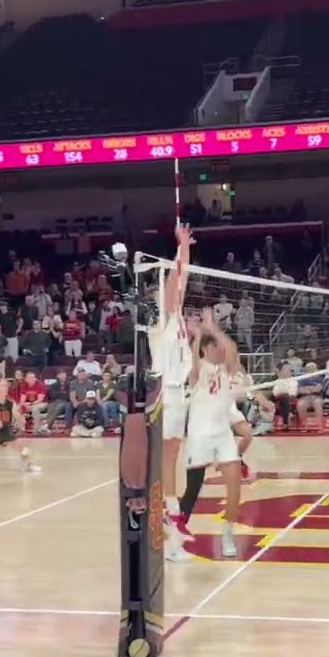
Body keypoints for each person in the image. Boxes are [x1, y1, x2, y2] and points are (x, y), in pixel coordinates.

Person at [177, 309, 244, 558]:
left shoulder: (226, 369)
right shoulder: (198, 370)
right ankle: (177, 529)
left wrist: (211, 327)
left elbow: (233, 350)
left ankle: (227, 534)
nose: (220, 350)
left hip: (222, 434)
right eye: (215, 348)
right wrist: (197, 334)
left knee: (235, 485)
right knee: (193, 487)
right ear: (206, 350)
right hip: (199, 435)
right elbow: (194, 359)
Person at [154, 223, 194, 543]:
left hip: (180, 395)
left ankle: (169, 508)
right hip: (168, 393)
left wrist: (186, 249)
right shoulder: (166, 319)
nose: (178, 294)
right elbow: (175, 282)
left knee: (174, 453)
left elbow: (184, 279)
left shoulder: (179, 319)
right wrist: (179, 250)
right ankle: (166, 510)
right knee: (168, 455)